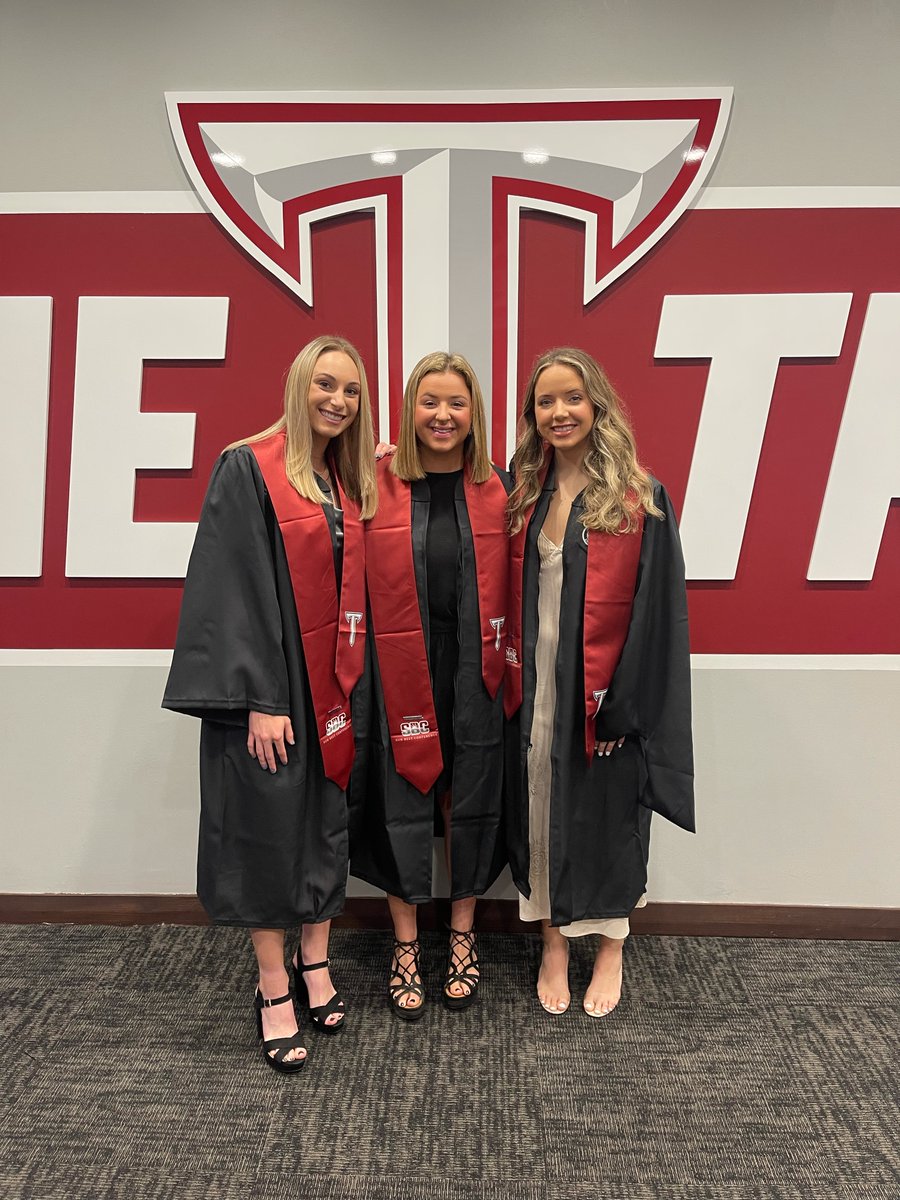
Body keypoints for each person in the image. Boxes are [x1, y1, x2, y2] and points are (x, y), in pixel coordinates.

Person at [162, 334, 377, 1072]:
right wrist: (257, 696)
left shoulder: (343, 481)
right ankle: (274, 983)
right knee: (264, 832)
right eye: (325, 384)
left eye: (351, 390)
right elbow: (228, 588)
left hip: (334, 695)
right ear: (298, 386)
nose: (337, 401)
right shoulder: (248, 467)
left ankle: (316, 961)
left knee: (322, 826)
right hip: (274, 697)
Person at [504, 347, 694, 1018]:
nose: (559, 412)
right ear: (531, 415)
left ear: (597, 405)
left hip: (605, 694)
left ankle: (611, 942)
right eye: (545, 401)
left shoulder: (639, 497)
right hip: (536, 691)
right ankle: (554, 941)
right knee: (541, 812)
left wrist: (623, 709)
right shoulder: (522, 492)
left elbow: (656, 615)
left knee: (611, 817)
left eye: (572, 398)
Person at [349, 351, 510, 1019]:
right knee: (404, 789)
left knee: (466, 793)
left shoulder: (502, 488)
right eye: (430, 401)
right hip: (400, 663)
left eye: (457, 403)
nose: (443, 415)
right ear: (410, 408)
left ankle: (463, 934)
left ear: (475, 414)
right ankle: (408, 942)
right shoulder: (374, 484)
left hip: (477, 663)